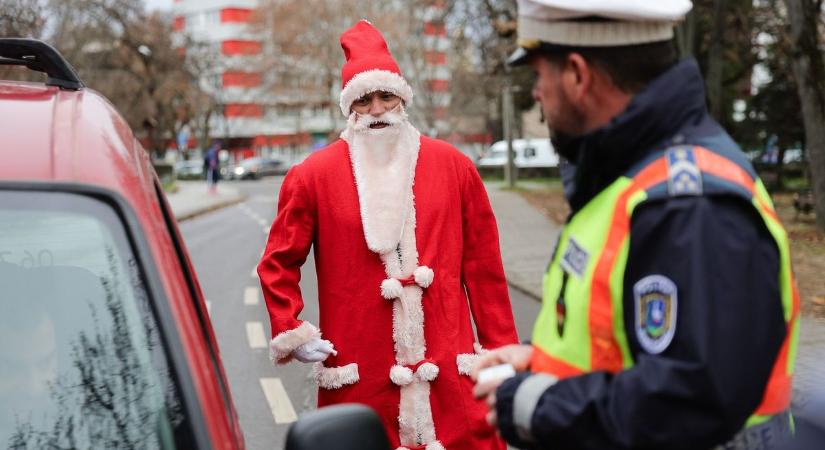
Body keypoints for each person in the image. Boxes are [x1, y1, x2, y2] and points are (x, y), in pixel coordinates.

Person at [472, 1, 800, 449]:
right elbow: (632, 344)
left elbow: (691, 400)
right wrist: (540, 364)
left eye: (538, 74)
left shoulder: (689, 207)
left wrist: (538, 404)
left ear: (577, 75)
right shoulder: (633, 180)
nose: (537, 93)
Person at [258, 20, 519, 450]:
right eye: (363, 100)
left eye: (386, 96)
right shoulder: (312, 177)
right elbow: (278, 262)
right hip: (363, 385)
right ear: (349, 107)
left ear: (402, 98)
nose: (376, 109)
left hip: (450, 384)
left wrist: (501, 360)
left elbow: (486, 274)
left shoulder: (454, 167)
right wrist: (293, 328)